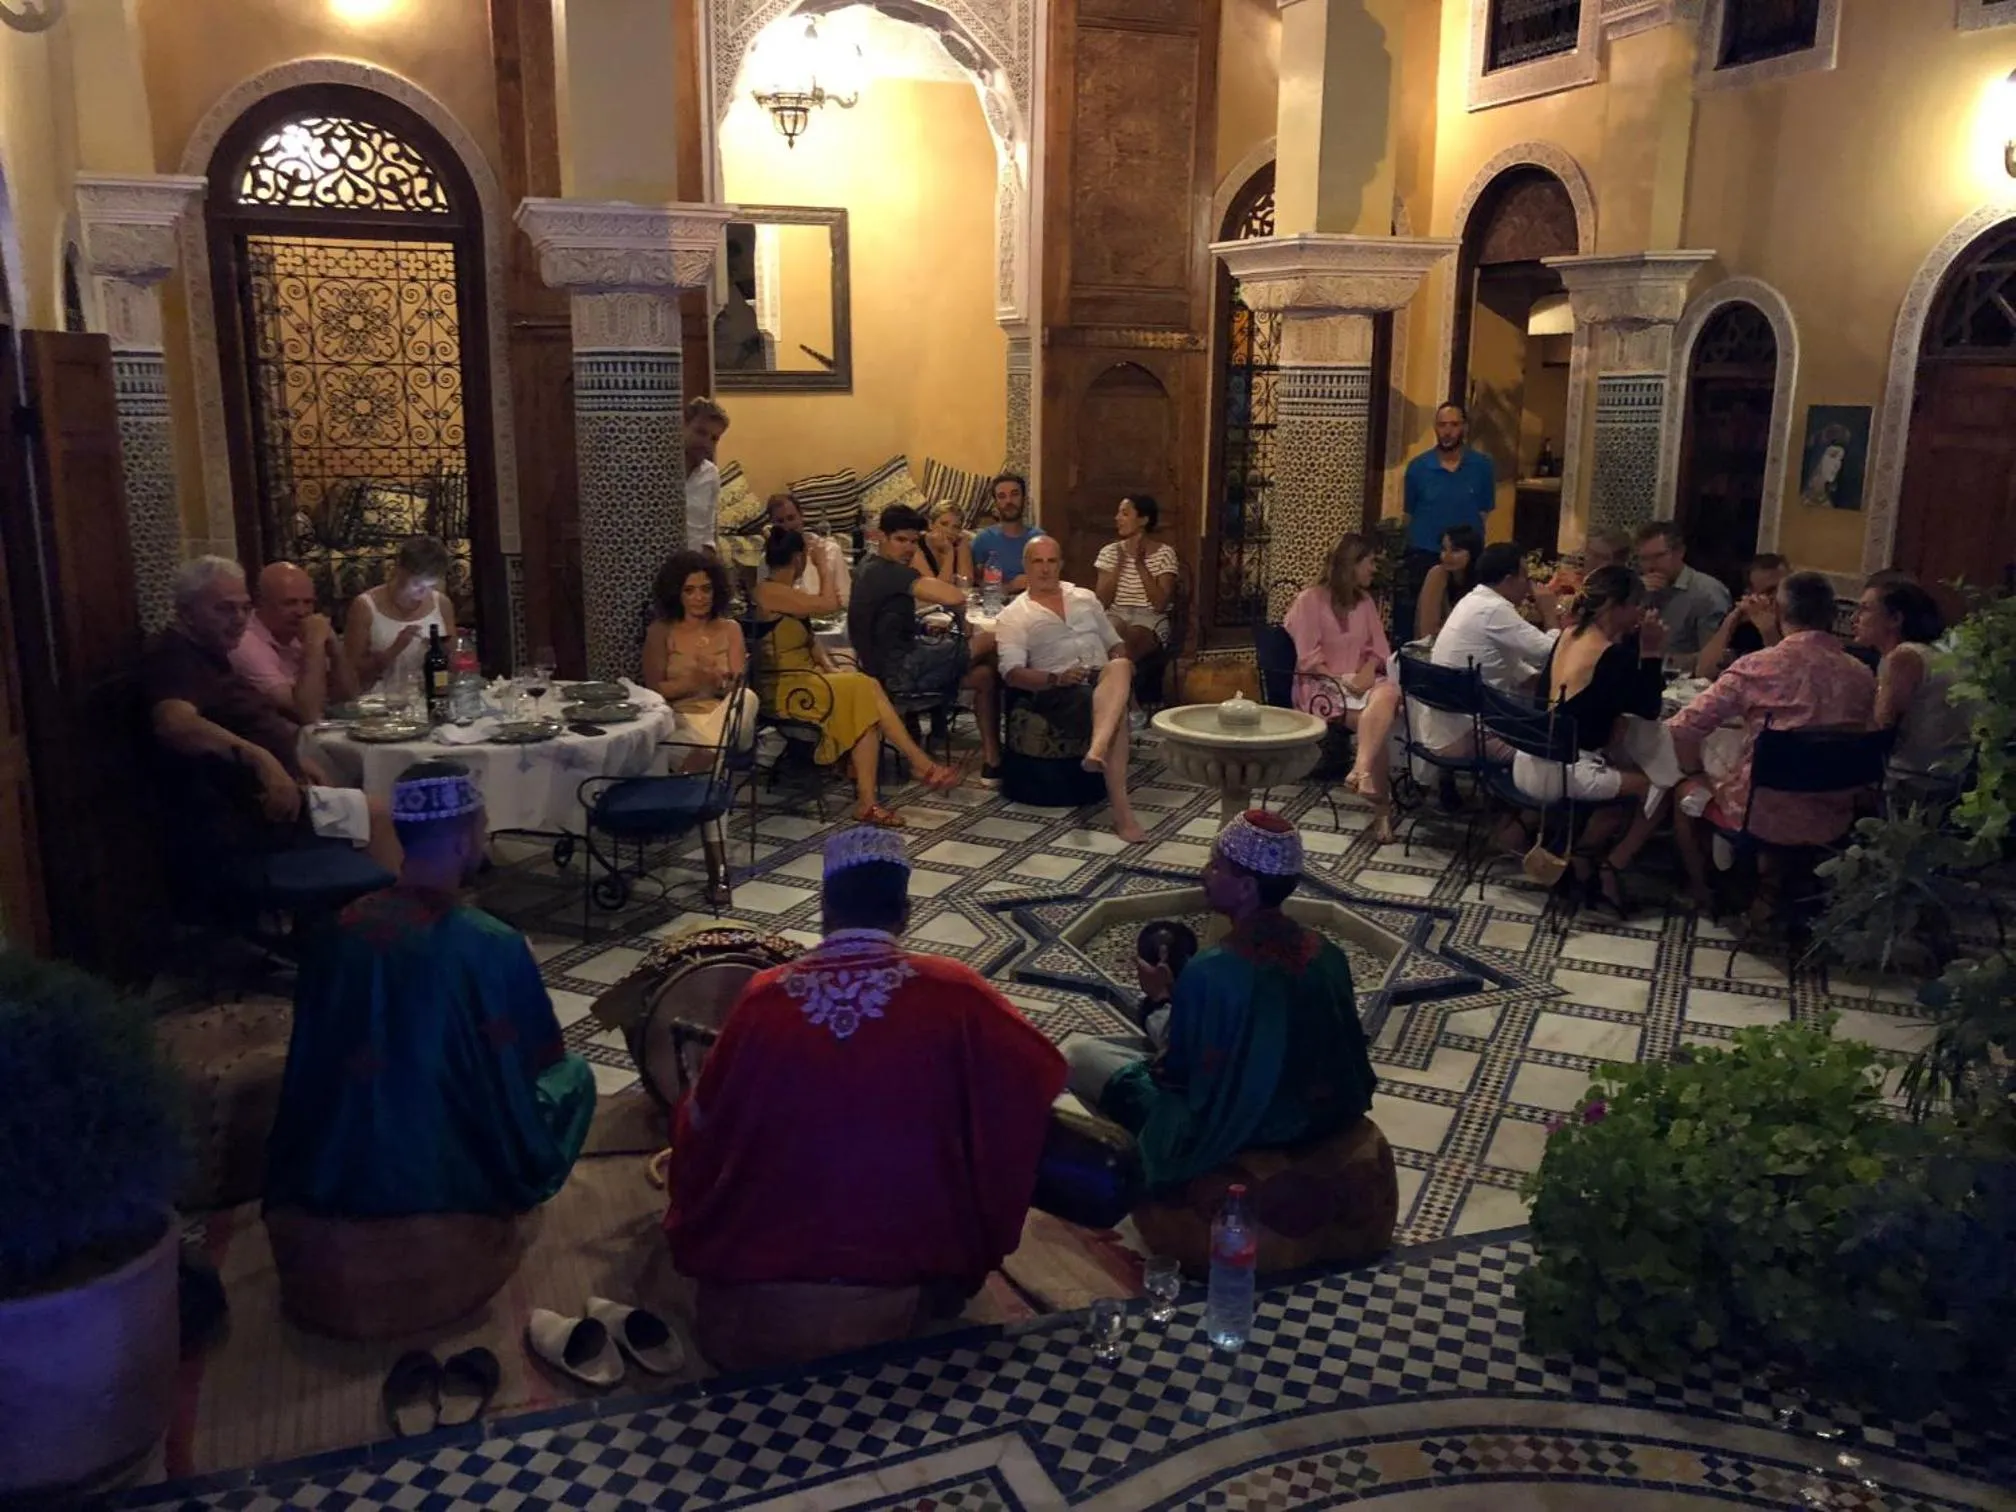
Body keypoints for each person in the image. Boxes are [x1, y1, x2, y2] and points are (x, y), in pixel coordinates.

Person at [665, 827, 1066, 1369]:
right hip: (905, 1271)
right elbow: (1041, 1074)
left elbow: (705, 1129)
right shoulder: (956, 991)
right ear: (904, 912)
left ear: (825, 909)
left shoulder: (764, 997)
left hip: (759, 1280)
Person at [265, 760, 596, 1222]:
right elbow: (536, 1060)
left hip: (335, 1163)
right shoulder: (494, 944)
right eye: (480, 828)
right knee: (575, 1077)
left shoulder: (335, 929)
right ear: (463, 841)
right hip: (452, 1170)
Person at [1062, 811, 1377, 1192]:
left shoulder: (1212, 969)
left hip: (1242, 1127)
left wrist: (1160, 1000)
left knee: (1077, 1054)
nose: (1205, 872)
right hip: (1319, 1114)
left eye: (1216, 865)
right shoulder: (1329, 955)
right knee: (1129, 1044)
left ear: (1245, 888)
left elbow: (1175, 1075)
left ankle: (1135, 1185)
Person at [146, 555, 399, 872]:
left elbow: (347, 699)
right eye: (224, 609)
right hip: (246, 813)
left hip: (277, 786)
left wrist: (290, 761)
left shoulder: (213, 653)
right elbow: (175, 722)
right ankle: (396, 916)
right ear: (187, 612)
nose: (238, 618)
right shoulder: (176, 656)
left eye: (243, 608)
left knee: (370, 793)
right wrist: (261, 759)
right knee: (380, 809)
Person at [1667, 570, 1877, 914]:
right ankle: (1769, 891)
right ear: (1831, 615)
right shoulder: (1861, 673)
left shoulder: (1756, 667)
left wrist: (1696, 773)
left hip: (1761, 814)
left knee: (1684, 791)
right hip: (1833, 813)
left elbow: (1683, 728)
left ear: (1780, 612)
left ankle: (1702, 890)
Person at [751, 527, 960, 827]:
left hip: (808, 680)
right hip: (786, 688)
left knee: (864, 698)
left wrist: (832, 669)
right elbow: (830, 604)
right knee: (866, 687)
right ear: (798, 559)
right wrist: (824, 568)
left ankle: (869, 802)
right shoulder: (769, 592)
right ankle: (920, 766)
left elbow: (810, 641)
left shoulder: (788, 596)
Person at [1519, 566, 1677, 916]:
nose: (1640, 613)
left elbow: (1606, 703)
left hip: (1530, 759)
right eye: (1636, 604)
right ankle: (1602, 863)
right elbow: (1648, 707)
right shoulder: (1611, 655)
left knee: (1619, 774)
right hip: (1562, 770)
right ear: (1615, 606)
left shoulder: (1568, 634)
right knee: (1656, 787)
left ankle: (1582, 859)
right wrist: (1652, 653)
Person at [994, 535, 1148, 842]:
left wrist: (1122, 661)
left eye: (1052, 561)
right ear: (1026, 566)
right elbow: (1011, 673)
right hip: (1056, 690)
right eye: (1037, 561)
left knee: (1118, 667)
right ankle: (1123, 814)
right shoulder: (1014, 614)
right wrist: (1056, 679)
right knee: (1113, 712)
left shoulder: (1085, 598)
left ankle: (1096, 749)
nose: (1045, 569)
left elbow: (1114, 643)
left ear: (1061, 564)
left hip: (1101, 677)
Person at [643, 550, 760, 905]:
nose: (699, 597)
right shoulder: (661, 632)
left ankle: (706, 758)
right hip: (680, 724)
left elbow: (737, 687)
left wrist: (721, 682)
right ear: (676, 594)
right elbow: (653, 693)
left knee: (749, 697)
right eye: (690, 590)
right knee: (715, 764)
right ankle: (718, 871)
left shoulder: (731, 629)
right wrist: (695, 681)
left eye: (706, 589)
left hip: (727, 717)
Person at [849, 505, 1003, 774]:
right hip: (900, 671)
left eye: (913, 541)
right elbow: (954, 596)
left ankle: (993, 758)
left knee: (985, 676)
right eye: (900, 540)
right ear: (880, 537)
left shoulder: (868, 567)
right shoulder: (888, 571)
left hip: (883, 664)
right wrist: (963, 620)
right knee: (994, 638)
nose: (908, 548)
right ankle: (1013, 741)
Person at [1283, 534, 1402, 840]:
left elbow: (1380, 650)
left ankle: (1360, 770)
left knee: (1389, 693)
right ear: (1352, 564)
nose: (1374, 569)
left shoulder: (1364, 602)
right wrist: (1341, 681)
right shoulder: (1308, 600)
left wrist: (1363, 673)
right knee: (1374, 724)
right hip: (1321, 685)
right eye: (1370, 562)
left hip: (1362, 684)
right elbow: (1307, 658)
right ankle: (1382, 812)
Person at [1417, 542, 1559, 754]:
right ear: (1509, 580)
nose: (1529, 586)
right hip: (1468, 734)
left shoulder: (1473, 600)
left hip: (1445, 728)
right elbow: (1549, 650)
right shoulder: (1494, 609)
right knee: (1556, 749)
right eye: (1525, 578)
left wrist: (1535, 679)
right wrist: (1550, 614)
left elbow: (1504, 661)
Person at [1853, 578, 1971, 784]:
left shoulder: (1904, 657)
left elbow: (1879, 732)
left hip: (1917, 783)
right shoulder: (1934, 651)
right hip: (1949, 777)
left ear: (1895, 619)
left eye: (1865, 609)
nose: (1855, 618)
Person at [1399, 402, 1496, 638]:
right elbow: (1409, 512)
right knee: (1423, 624)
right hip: (1425, 553)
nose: (1448, 431)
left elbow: (1484, 511)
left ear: (1464, 427)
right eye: (1442, 425)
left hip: (1467, 559)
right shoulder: (1418, 468)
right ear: (1435, 428)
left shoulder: (1482, 467)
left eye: (1453, 424)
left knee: (1466, 624)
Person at [230, 560, 356, 724]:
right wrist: (315, 645)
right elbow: (307, 714)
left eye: (308, 602)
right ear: (261, 603)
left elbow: (350, 701)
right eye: (290, 603)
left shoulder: (301, 630)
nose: (302, 612)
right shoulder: (245, 643)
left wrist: (336, 650)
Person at [344, 535, 456, 695]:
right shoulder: (365, 606)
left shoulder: (441, 603)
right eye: (417, 583)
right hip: (379, 701)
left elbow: (452, 662)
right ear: (400, 570)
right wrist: (394, 649)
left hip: (430, 695)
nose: (423, 592)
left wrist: (441, 650)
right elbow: (350, 672)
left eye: (430, 585)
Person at [1093, 494, 1179, 660]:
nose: (1117, 518)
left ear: (1143, 520)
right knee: (1111, 632)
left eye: (1124, 514)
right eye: (1118, 513)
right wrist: (1119, 565)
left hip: (1150, 618)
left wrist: (1140, 564)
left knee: (1133, 637)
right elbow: (1101, 602)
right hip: (1116, 613)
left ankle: (1121, 680)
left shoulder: (1165, 553)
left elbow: (1160, 604)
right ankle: (1119, 679)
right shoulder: (1109, 552)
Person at [1633, 521, 1731, 659]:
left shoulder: (1707, 592)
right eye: (1644, 559)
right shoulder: (1639, 590)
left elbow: (1715, 657)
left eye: (1659, 556)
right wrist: (1635, 596)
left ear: (1680, 552)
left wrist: (1660, 660)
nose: (1651, 566)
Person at [1694, 553, 1789, 678]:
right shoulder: (1744, 622)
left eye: (1784, 587)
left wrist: (1769, 631)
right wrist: (1731, 620)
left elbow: (1785, 675)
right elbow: (1704, 672)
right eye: (1770, 591)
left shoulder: (1802, 619)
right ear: (1751, 593)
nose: (1779, 595)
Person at [765, 491, 851, 602]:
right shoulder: (768, 558)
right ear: (772, 524)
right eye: (780, 521)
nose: (787, 526)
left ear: (801, 516)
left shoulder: (830, 550)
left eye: (791, 518)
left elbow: (845, 598)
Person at [970, 473, 1046, 594]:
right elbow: (975, 585)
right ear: (995, 503)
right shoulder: (982, 540)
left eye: (1014, 494)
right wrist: (1010, 586)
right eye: (1002, 496)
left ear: (1024, 499)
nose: (1009, 501)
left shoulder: (1039, 539)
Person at [1414, 524, 1480, 642]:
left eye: (1456, 550)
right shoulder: (1438, 574)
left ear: (1473, 553)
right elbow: (1427, 632)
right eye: (1444, 549)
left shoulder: (1482, 580)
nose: (1447, 557)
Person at [683, 395, 730, 556]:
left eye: (714, 439)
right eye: (701, 433)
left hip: (692, 567)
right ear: (683, 426)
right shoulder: (657, 469)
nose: (706, 443)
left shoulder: (711, 474)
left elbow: (707, 533)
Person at [918, 502, 974, 588]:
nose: (949, 531)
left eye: (956, 527)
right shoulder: (917, 545)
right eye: (944, 524)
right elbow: (937, 591)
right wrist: (949, 553)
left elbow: (966, 585)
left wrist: (963, 547)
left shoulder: (960, 543)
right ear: (931, 524)